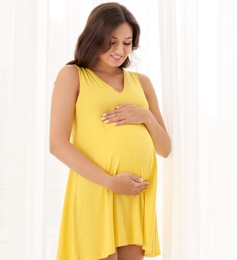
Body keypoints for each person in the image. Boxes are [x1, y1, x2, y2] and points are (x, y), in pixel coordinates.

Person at [49, 2, 171, 260]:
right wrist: (109, 181)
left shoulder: (142, 83)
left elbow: (165, 148)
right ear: (95, 37)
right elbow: (58, 144)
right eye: (112, 41)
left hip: (133, 196)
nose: (120, 50)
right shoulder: (73, 75)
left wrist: (146, 116)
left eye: (127, 43)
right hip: (97, 189)